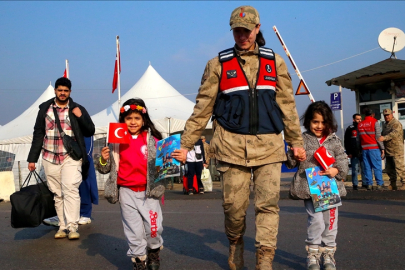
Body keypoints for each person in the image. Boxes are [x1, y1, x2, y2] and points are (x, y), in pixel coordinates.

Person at [172, 5, 305, 270]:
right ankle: (235, 245)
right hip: (231, 147)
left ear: (257, 28)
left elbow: (288, 106)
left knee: (268, 206)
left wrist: (296, 142)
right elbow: (202, 109)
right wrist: (186, 144)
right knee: (234, 209)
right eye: (237, 31)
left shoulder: (275, 62)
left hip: (269, 146)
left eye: (247, 30)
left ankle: (264, 261)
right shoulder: (217, 65)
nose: (242, 35)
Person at [97, 98, 165, 270]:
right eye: (128, 118)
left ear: (144, 119)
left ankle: (153, 251)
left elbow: (165, 163)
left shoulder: (153, 138)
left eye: (136, 118)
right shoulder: (115, 140)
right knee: (133, 230)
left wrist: (175, 158)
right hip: (126, 191)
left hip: (149, 191)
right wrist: (103, 160)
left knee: (153, 228)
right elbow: (105, 169)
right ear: (123, 120)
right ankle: (138, 259)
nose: (133, 122)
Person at [27, 77, 95, 240]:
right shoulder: (44, 109)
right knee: (57, 193)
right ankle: (62, 226)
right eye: (60, 90)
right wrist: (32, 159)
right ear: (55, 91)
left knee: (70, 189)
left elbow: (90, 130)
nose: (62, 93)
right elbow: (38, 134)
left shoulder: (77, 108)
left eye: (66, 90)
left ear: (70, 92)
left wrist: (80, 117)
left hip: (71, 157)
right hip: (50, 156)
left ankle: (72, 227)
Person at [286, 101, 348, 270]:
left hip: (330, 189)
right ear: (308, 122)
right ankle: (313, 255)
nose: (319, 126)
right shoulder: (302, 140)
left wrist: (337, 170)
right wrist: (295, 154)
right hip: (310, 188)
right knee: (316, 221)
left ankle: (328, 254)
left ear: (329, 122)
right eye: (315, 122)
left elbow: (343, 160)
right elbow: (290, 163)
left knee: (330, 223)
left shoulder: (334, 140)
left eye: (323, 122)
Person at [43, 136, 99, 226]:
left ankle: (85, 213)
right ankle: (62, 215)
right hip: (64, 153)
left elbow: (88, 133)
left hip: (79, 152)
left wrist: (85, 157)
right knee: (62, 185)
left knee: (83, 184)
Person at [357, 108, 385, 190]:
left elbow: (358, 139)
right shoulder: (374, 122)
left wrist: (360, 148)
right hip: (374, 148)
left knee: (367, 167)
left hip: (364, 149)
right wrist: (382, 148)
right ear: (372, 114)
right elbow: (378, 136)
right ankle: (379, 184)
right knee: (377, 167)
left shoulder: (360, 124)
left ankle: (369, 184)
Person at [378, 108, 405, 190]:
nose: (387, 117)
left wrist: (384, 138)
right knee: (390, 168)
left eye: (388, 115)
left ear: (391, 114)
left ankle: (404, 182)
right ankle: (393, 183)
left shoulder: (396, 123)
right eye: (385, 115)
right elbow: (382, 134)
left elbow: (394, 134)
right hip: (388, 150)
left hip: (397, 150)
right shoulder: (386, 125)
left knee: (400, 167)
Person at [344, 113, 365, 190]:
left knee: (364, 168)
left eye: (360, 119)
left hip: (363, 151)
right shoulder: (350, 128)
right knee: (355, 169)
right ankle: (355, 184)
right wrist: (349, 152)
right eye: (357, 119)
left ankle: (365, 183)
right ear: (354, 120)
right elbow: (346, 141)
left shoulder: (363, 128)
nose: (359, 120)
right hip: (353, 152)